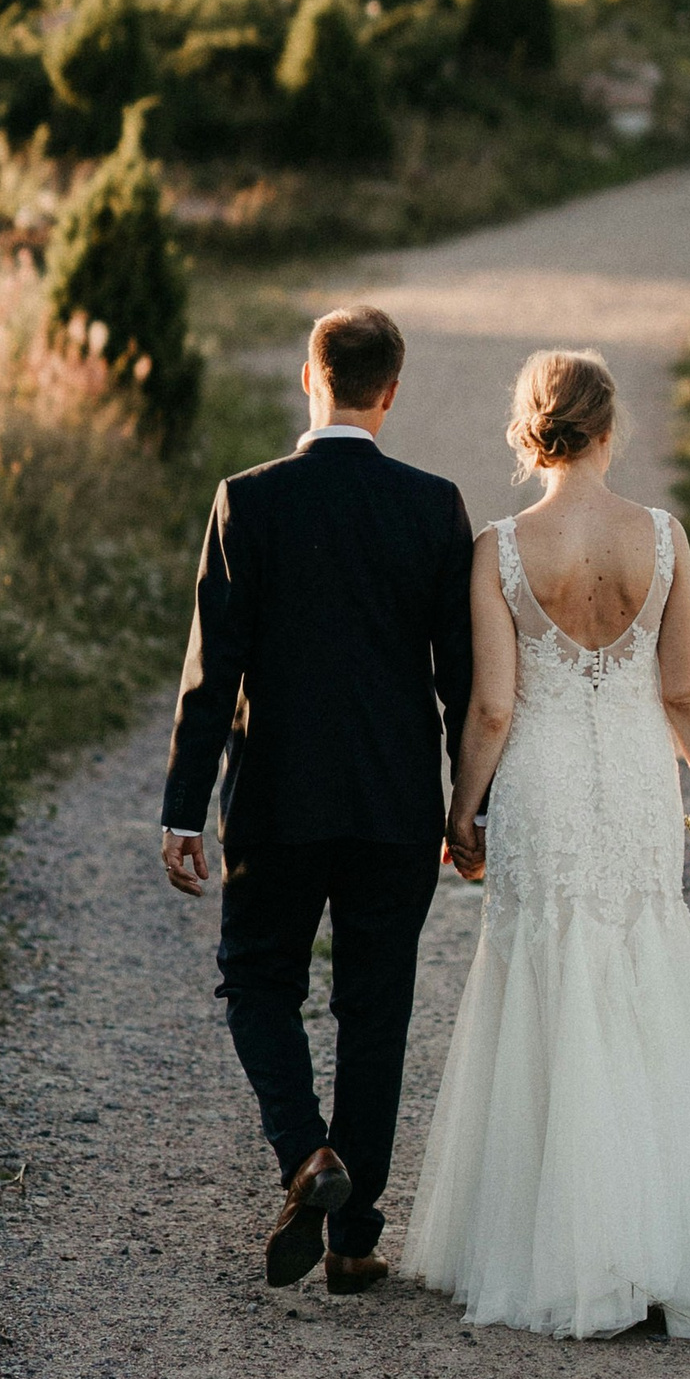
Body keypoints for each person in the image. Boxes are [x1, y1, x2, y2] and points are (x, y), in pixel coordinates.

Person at [403, 348, 690, 1339]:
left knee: (546, 979)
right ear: (611, 429)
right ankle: (669, 1240)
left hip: (540, 788)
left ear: (528, 430)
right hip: (629, 786)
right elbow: (687, 695)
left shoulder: (497, 547)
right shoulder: (660, 539)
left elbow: (492, 706)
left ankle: (561, 1245)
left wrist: (462, 812)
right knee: (640, 974)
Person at [159, 305, 474, 1296]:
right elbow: (462, 680)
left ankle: (305, 1155)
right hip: (395, 804)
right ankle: (354, 1236)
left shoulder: (247, 501)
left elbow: (214, 674)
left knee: (258, 978)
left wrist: (181, 808)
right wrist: (471, 809)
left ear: (310, 376)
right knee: (375, 1010)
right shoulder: (432, 506)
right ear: (391, 390)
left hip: (276, 802)